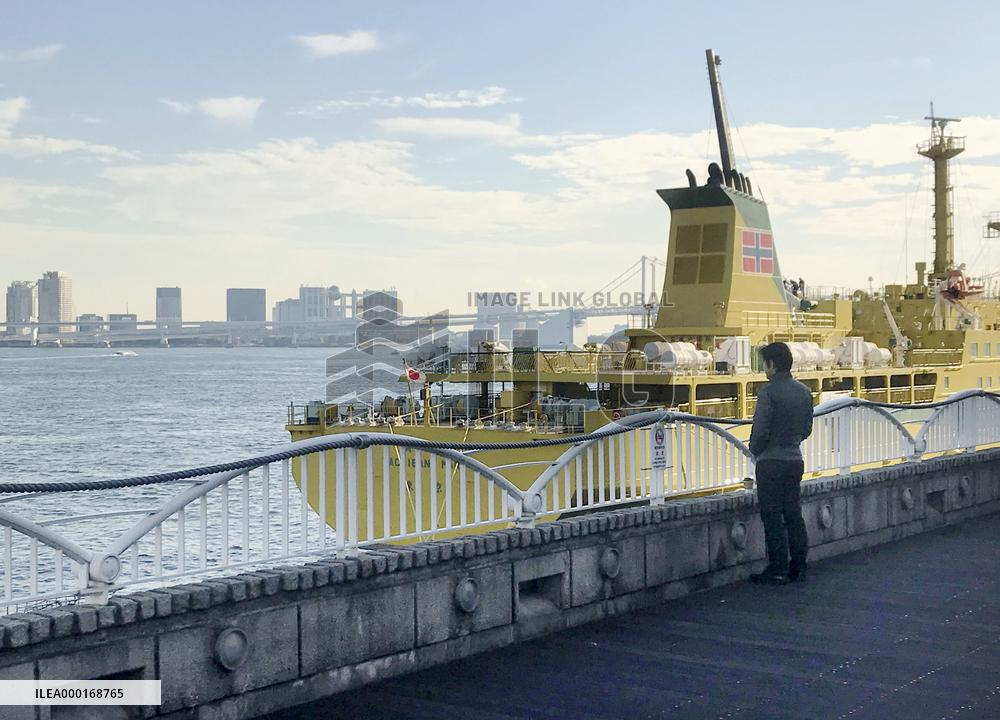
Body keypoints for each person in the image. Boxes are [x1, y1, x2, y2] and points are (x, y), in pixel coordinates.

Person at [748, 342, 814, 584]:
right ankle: (799, 566)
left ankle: (777, 568)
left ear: (772, 365)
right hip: (795, 460)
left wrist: (754, 450)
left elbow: (761, 430)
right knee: (793, 514)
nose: (764, 368)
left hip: (770, 462)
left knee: (773, 515)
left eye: (764, 364)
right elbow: (807, 429)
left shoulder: (768, 392)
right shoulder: (804, 391)